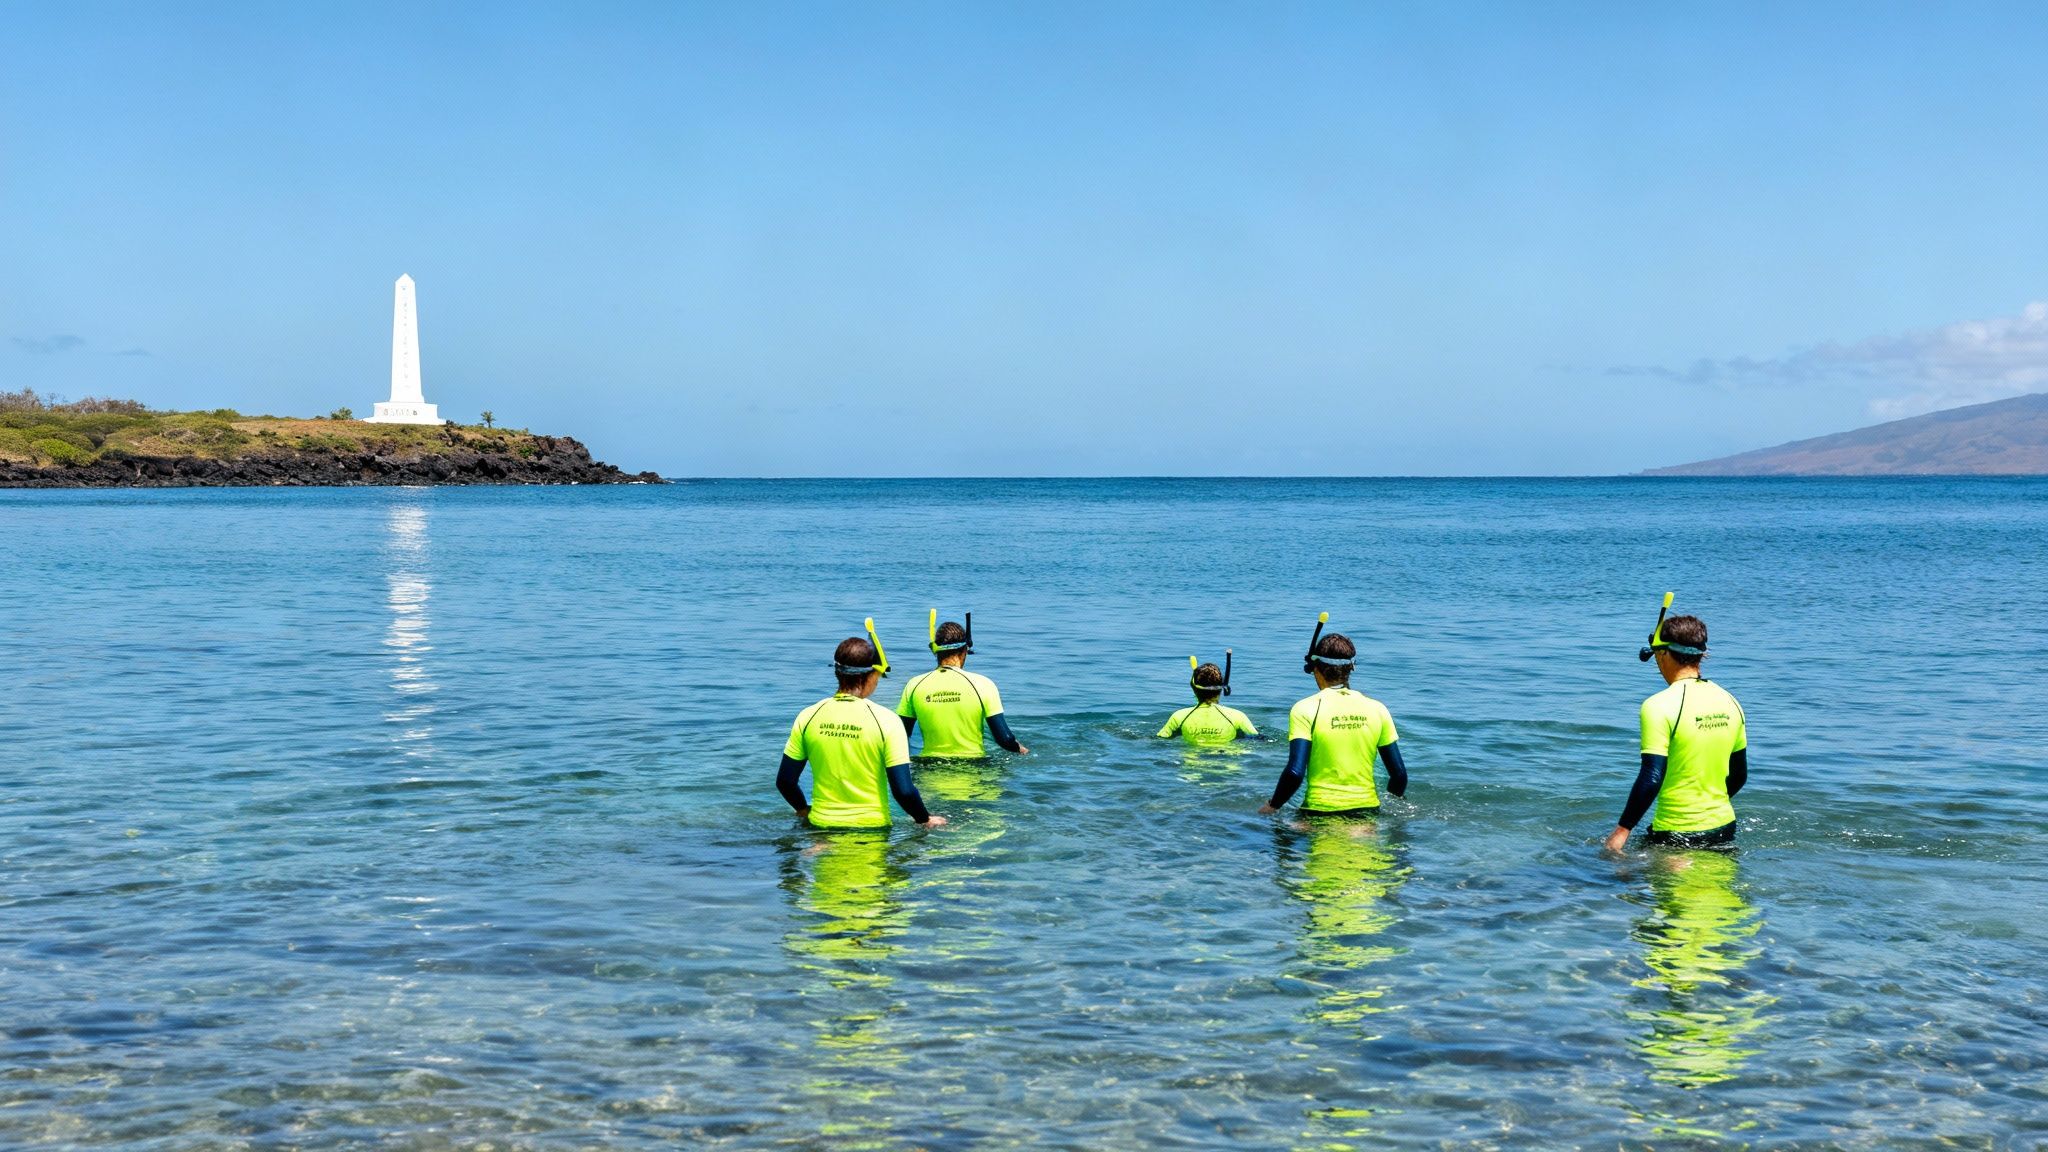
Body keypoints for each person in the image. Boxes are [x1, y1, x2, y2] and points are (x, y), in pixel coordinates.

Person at [1604, 611, 1747, 852]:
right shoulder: (1731, 701)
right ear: (1702, 655)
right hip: (1724, 827)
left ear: (1663, 654)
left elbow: (1651, 777)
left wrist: (1622, 830)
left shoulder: (1658, 706)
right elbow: (1739, 776)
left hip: (1675, 834)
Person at [778, 630, 946, 829]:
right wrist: (924, 819)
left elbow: (785, 782)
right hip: (872, 831)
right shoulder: (887, 721)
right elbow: (903, 791)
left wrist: (804, 810)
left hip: (821, 830)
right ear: (870, 675)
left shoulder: (809, 716)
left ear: (837, 672)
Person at [1260, 623, 1408, 817]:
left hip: (1318, 814)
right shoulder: (1377, 709)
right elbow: (1399, 776)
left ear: (1315, 668)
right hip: (1368, 814)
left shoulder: (1305, 709)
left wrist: (1273, 805)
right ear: (1351, 667)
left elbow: (1295, 773)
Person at [895, 613, 1028, 759]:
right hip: (974, 772)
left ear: (935, 651)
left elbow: (899, 736)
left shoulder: (914, 685)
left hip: (930, 772)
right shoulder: (983, 684)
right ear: (964, 650)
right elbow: (1005, 739)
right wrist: (1021, 750)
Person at [1158, 656, 1259, 745]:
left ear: (1193, 688)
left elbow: (1159, 740)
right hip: (1227, 764)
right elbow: (1258, 740)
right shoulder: (1238, 717)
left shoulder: (1179, 717)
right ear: (1221, 689)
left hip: (1192, 765)